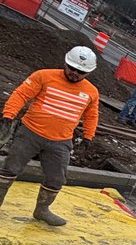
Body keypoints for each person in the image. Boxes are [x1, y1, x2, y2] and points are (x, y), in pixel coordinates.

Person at [0, 45, 99, 226]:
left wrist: (88, 136)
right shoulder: (44, 76)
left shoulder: (91, 92)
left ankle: (42, 210)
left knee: (56, 178)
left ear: (89, 72)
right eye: (72, 68)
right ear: (65, 63)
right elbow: (21, 94)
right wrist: (8, 115)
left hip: (61, 141)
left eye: (80, 72)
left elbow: (91, 115)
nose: (74, 74)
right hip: (30, 133)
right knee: (10, 168)